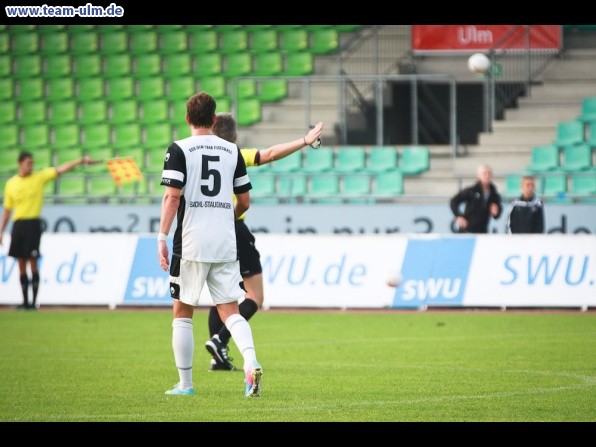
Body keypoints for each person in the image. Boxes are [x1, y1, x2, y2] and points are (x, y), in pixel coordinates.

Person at [157, 92, 263, 397]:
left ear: (188, 119)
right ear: (214, 119)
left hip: (190, 241)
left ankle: (185, 385)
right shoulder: (232, 151)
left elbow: (172, 196)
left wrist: (161, 237)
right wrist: (228, 216)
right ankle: (251, 361)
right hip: (225, 241)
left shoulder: (179, 149)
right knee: (231, 310)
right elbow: (244, 201)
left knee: (182, 311)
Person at [204, 113, 324, 372]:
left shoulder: (196, 155)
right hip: (233, 229)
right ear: (234, 137)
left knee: (221, 296)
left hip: (207, 233)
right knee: (254, 296)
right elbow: (269, 154)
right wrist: (304, 140)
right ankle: (220, 339)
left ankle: (218, 358)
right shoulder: (235, 155)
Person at [0, 151, 99, 310]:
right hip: (18, 225)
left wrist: (81, 160)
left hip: (33, 224)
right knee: (21, 263)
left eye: (32, 163)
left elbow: (61, 169)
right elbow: (7, 210)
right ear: (20, 164)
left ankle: (33, 302)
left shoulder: (39, 177)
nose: (31, 166)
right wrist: (1, 230)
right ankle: (25, 302)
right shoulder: (11, 184)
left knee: (33, 262)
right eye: (28, 163)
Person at [450, 164, 503, 234]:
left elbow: (497, 213)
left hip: (483, 230)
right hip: (467, 230)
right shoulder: (472, 190)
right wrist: (458, 215)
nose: (487, 176)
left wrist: (497, 211)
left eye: (489, 173)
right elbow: (454, 201)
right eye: (484, 173)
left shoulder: (494, 193)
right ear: (478, 176)